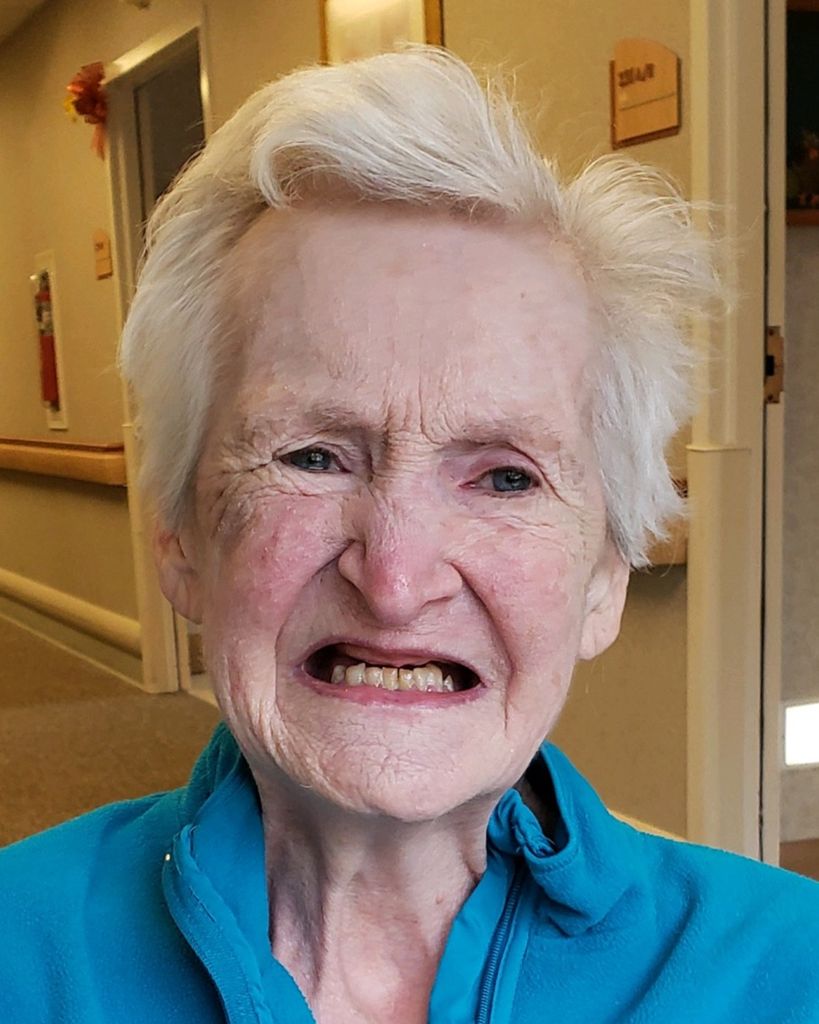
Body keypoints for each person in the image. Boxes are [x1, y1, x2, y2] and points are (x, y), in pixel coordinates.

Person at [1, 47, 817, 1024]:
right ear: (178, 534)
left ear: (606, 575)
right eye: (312, 456)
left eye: (506, 476)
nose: (395, 579)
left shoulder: (789, 969)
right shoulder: (21, 951)